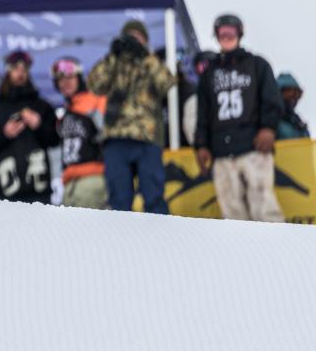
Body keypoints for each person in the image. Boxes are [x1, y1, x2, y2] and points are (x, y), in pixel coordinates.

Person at [194, 14, 284, 223]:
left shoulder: (257, 65)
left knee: (265, 209)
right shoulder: (209, 74)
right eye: (221, 32)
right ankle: (240, 256)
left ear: (240, 34)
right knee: (233, 216)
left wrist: (268, 128)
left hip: (254, 149)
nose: (226, 36)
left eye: (231, 31)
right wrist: (201, 144)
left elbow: (272, 100)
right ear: (215, 36)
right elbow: (203, 112)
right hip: (222, 153)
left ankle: (277, 253)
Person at [87, 19, 173, 214]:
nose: (133, 41)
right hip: (116, 140)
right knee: (118, 201)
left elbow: (166, 83)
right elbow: (94, 84)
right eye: (129, 37)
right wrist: (112, 56)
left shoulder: (151, 62)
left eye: (138, 38)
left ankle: (161, 241)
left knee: (154, 198)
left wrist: (145, 55)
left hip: (147, 139)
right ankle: (121, 243)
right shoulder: (114, 63)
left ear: (145, 41)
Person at [0, 50, 59, 204]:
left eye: (24, 70)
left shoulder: (42, 106)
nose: (20, 73)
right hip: (6, 190)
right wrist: (5, 134)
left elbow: (55, 140)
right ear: (8, 71)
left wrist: (38, 125)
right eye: (16, 69)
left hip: (39, 190)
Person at [52, 56, 108, 209]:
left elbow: (111, 137)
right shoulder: (65, 112)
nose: (65, 82)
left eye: (70, 77)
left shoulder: (96, 101)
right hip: (70, 184)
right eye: (60, 80)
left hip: (93, 179)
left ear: (79, 78)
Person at [277, 73, 310, 140]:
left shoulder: (297, 121)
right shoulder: (268, 118)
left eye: (295, 95)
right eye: (287, 93)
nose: (292, 99)